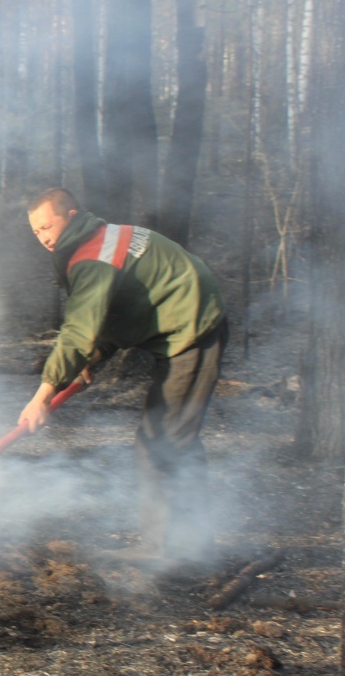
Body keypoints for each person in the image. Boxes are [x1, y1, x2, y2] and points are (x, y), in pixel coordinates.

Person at [19, 188, 228, 566]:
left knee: (162, 442)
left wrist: (42, 394)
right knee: (173, 441)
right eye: (36, 232)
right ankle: (194, 547)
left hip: (193, 328)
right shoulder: (103, 237)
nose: (43, 238)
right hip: (183, 320)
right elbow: (118, 309)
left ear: (71, 215)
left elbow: (78, 330)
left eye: (47, 226)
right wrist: (95, 356)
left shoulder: (92, 258)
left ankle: (171, 553)